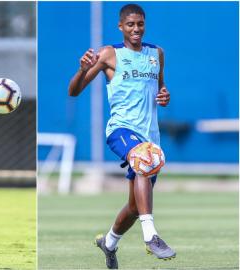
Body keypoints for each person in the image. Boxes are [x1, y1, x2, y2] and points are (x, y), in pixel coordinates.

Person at [68, 3, 175, 269]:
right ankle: (150, 235)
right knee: (142, 160)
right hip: (122, 129)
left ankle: (110, 242)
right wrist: (82, 69)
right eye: (130, 24)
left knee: (135, 206)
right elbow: (74, 91)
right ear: (120, 27)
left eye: (140, 24)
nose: (136, 29)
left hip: (151, 136)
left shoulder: (156, 53)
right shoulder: (109, 54)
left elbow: (160, 87)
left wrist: (164, 95)